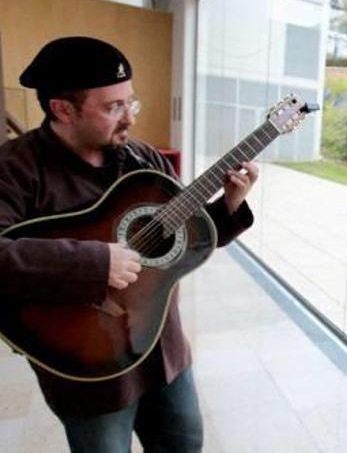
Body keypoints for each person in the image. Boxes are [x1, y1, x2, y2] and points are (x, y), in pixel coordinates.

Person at [0, 37, 258, 452]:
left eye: (130, 103)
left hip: (162, 348)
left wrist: (227, 207)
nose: (129, 119)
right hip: (88, 365)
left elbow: (177, 239)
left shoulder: (142, 158)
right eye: (112, 107)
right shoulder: (15, 168)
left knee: (184, 446)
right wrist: (92, 262)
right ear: (62, 109)